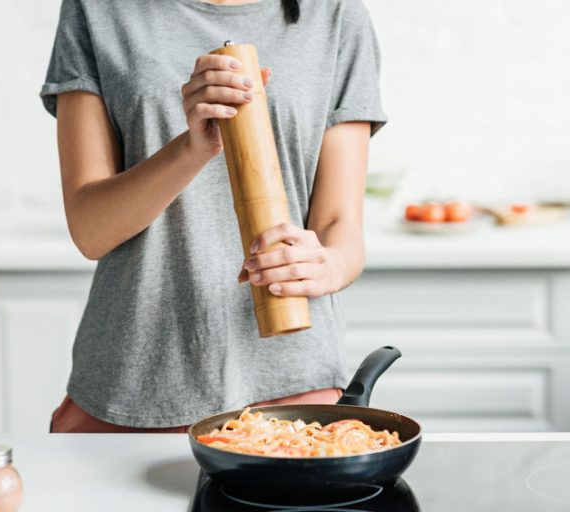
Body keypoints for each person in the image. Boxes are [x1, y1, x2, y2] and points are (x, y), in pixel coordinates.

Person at [40, 0, 385, 433]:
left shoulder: (335, 14)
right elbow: (90, 230)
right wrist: (191, 149)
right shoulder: (97, 9)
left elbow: (340, 225)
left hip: (292, 384)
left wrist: (326, 265)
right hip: (134, 382)